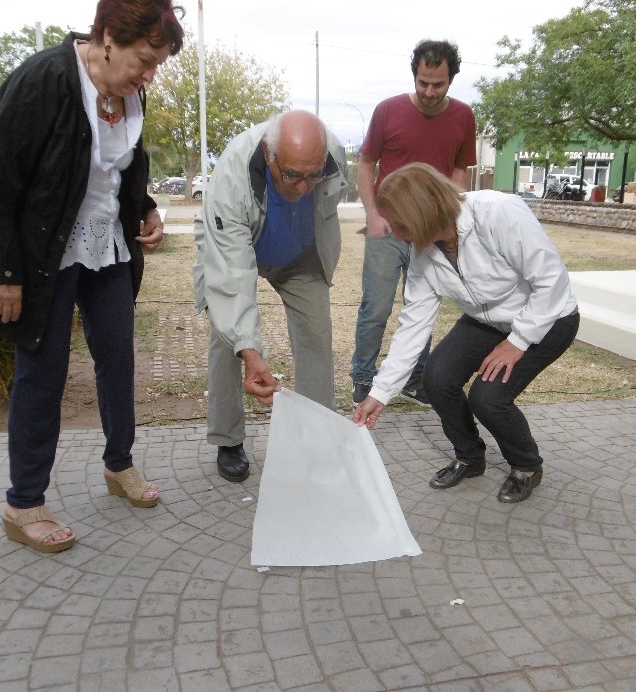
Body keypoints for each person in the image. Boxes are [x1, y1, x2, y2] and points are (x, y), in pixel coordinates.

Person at [0, 0, 184, 553]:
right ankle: (23, 502)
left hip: (105, 247)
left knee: (118, 358)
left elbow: (122, 165)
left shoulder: (131, 93)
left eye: (157, 65)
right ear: (108, 37)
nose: (149, 74)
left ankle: (119, 464)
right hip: (39, 256)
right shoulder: (45, 80)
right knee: (43, 372)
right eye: (145, 59)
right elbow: (1, 182)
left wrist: (144, 209)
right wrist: (4, 273)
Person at [353, 164, 580, 504]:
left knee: (488, 398)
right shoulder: (423, 253)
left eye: (402, 225)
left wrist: (517, 342)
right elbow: (413, 325)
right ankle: (470, 457)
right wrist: (380, 393)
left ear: (428, 210)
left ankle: (527, 466)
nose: (399, 236)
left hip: (547, 317)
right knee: (437, 378)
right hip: (486, 320)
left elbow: (551, 281)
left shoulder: (499, 212)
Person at [193, 111, 348, 482]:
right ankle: (228, 438)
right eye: (292, 175)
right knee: (227, 335)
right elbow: (232, 273)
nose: (302, 188)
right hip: (238, 247)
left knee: (316, 333)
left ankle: (317, 436)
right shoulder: (232, 175)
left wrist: (308, 178)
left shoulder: (333, 156)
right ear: (268, 153)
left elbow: (325, 205)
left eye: (314, 175)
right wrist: (249, 349)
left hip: (298, 252)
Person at [350, 39, 477, 408]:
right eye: (423, 82)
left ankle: (413, 379)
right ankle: (363, 376)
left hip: (431, 232)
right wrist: (372, 214)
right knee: (376, 307)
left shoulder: (463, 116)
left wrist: (449, 217)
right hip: (388, 228)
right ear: (415, 76)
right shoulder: (388, 110)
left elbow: (458, 169)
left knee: (421, 306)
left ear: (451, 79)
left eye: (438, 84)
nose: (429, 91)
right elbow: (365, 163)